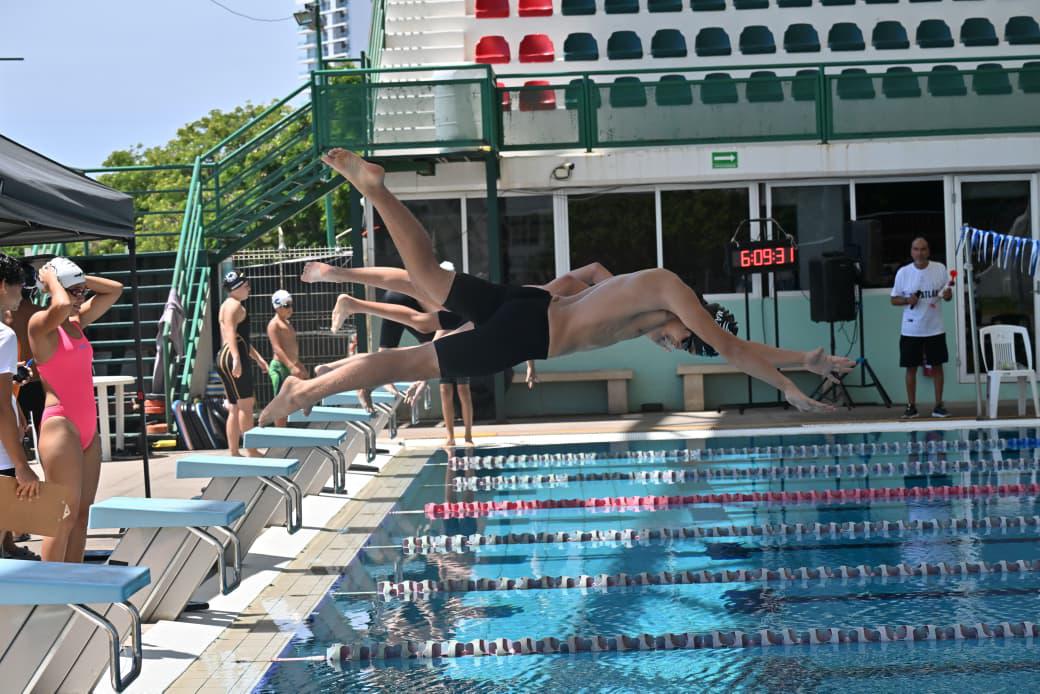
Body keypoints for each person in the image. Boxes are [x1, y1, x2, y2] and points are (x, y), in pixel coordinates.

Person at [259, 150, 854, 424]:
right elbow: (733, 350)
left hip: (529, 303)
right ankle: (297, 395)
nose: (675, 344)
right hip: (531, 328)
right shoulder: (671, 294)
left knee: (427, 280)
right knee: (399, 361)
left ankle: (376, 190)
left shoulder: (638, 294)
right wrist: (792, 390)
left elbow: (589, 274)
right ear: (689, 317)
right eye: (682, 339)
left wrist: (807, 356)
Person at [29, 257, 123, 563]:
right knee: (62, 518)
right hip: (61, 426)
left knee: (82, 516)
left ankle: (73, 588)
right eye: (75, 292)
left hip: (87, 428)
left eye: (82, 292)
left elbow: (115, 290)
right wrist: (53, 279)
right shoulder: (40, 325)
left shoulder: (75, 322)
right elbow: (56, 306)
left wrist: (79, 280)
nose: (81, 297)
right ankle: (47, 595)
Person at [0, 257, 38, 560]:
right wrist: (22, 464)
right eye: (19, 288)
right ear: (3, 286)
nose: (21, 295)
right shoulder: (4, 336)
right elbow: (0, 407)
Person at [890, 237, 953, 419]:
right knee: (911, 368)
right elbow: (893, 299)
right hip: (911, 329)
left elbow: (946, 294)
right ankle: (911, 406)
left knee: (937, 366)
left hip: (935, 327)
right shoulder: (903, 273)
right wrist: (907, 300)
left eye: (923, 249)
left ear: (928, 251)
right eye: (916, 249)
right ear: (911, 252)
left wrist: (948, 294)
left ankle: (938, 405)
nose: (920, 253)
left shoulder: (939, 269)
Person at [216, 271, 268, 456]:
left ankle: (234, 451)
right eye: (246, 286)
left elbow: (241, 337)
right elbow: (230, 332)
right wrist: (237, 359)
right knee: (246, 404)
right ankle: (252, 450)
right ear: (236, 288)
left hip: (224, 355)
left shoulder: (227, 305)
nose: (249, 289)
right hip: (232, 355)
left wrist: (258, 358)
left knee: (234, 406)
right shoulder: (235, 306)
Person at [266, 290, 307, 427]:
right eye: (287, 305)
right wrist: (291, 366)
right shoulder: (274, 325)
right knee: (281, 402)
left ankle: (288, 431)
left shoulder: (287, 323)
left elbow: (292, 348)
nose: (291, 308)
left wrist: (299, 364)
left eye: (291, 304)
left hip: (291, 365)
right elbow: (277, 349)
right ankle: (280, 435)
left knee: (295, 398)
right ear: (277, 307)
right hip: (280, 367)